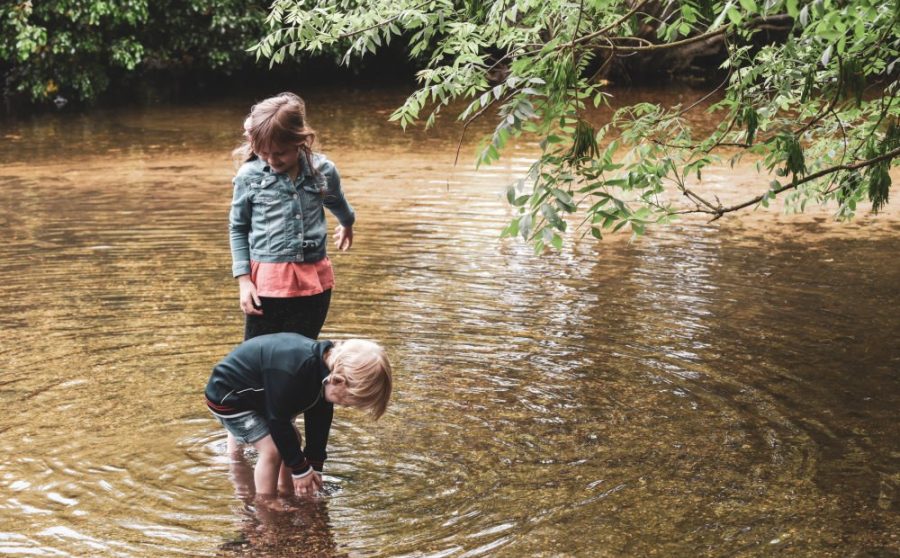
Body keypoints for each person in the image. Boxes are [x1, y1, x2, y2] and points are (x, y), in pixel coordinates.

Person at [230, 92, 355, 342]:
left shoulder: (323, 171)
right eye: (264, 153)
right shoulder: (249, 176)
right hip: (265, 283)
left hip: (312, 280)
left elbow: (337, 202)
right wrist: (245, 282)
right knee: (256, 355)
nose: (272, 160)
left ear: (300, 140)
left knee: (301, 353)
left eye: (280, 153)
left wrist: (347, 223)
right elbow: (238, 227)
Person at [205, 332, 392, 500]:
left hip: (259, 394)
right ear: (338, 381)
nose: (344, 406)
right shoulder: (294, 372)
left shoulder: (323, 371)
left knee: (292, 439)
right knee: (272, 450)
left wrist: (314, 465)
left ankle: (287, 489)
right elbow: (278, 421)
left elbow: (319, 422)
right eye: (347, 402)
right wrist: (301, 470)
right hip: (228, 397)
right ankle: (266, 502)